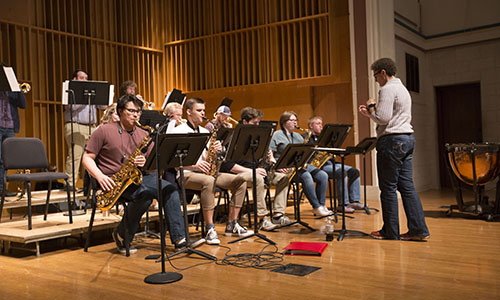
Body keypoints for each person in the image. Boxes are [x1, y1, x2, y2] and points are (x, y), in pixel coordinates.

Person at [82, 94, 186, 254]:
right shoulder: (103, 131)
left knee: (170, 189)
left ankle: (180, 239)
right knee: (144, 195)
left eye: (138, 111)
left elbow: (152, 168)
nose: (136, 115)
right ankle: (122, 234)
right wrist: (100, 176)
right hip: (111, 180)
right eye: (131, 111)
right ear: (120, 111)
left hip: (138, 177)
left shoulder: (143, 134)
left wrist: (146, 164)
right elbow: (87, 158)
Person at [359, 57, 430, 241]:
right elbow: (391, 117)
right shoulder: (403, 89)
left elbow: (383, 118)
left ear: (383, 72)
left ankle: (390, 231)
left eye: (375, 75)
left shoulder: (387, 89)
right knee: (407, 187)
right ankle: (418, 230)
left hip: (391, 141)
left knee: (388, 188)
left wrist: (372, 106)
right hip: (407, 139)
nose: (375, 80)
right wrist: (370, 114)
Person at [171, 98, 252, 245]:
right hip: (187, 174)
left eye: (203, 110)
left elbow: (209, 160)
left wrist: (215, 152)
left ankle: (232, 223)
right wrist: (196, 166)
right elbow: (175, 161)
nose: (203, 113)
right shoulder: (179, 131)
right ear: (188, 112)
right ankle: (210, 228)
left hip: (207, 173)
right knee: (209, 181)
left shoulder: (204, 131)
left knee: (240, 180)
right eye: (199, 110)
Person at [222, 107, 291, 231]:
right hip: (237, 174)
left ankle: (278, 215)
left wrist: (269, 160)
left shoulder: (257, 138)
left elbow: (258, 160)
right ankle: (262, 219)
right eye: (254, 123)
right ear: (244, 122)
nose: (257, 126)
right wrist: (252, 171)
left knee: (283, 179)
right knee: (257, 178)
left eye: (258, 123)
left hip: (255, 171)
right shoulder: (233, 138)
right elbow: (228, 166)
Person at [269, 111, 332, 217]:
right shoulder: (277, 135)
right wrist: (277, 166)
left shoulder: (298, 136)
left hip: (300, 164)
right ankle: (316, 207)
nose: (295, 123)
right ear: (284, 122)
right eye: (292, 120)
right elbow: (270, 153)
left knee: (322, 175)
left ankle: (322, 205)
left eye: (295, 120)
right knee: (306, 176)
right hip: (285, 166)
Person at [305, 116, 363, 213]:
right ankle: (343, 204)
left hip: (330, 163)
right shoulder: (305, 138)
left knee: (354, 171)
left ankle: (354, 200)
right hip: (319, 166)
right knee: (341, 172)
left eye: (321, 124)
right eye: (318, 124)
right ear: (311, 126)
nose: (321, 126)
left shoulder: (326, 138)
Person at [63, 69, 106, 191]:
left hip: (91, 126)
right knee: (75, 155)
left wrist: (100, 95)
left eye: (86, 78)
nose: (85, 80)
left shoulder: (90, 92)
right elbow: (71, 107)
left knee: (92, 157)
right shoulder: (71, 90)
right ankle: (70, 184)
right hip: (76, 125)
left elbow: (103, 106)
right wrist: (85, 96)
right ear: (75, 79)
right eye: (82, 78)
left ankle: (89, 184)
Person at [0, 66, 26, 197]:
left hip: (10, 127)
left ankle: (2, 189)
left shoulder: (13, 89)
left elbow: (23, 104)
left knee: (5, 160)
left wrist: (16, 87)